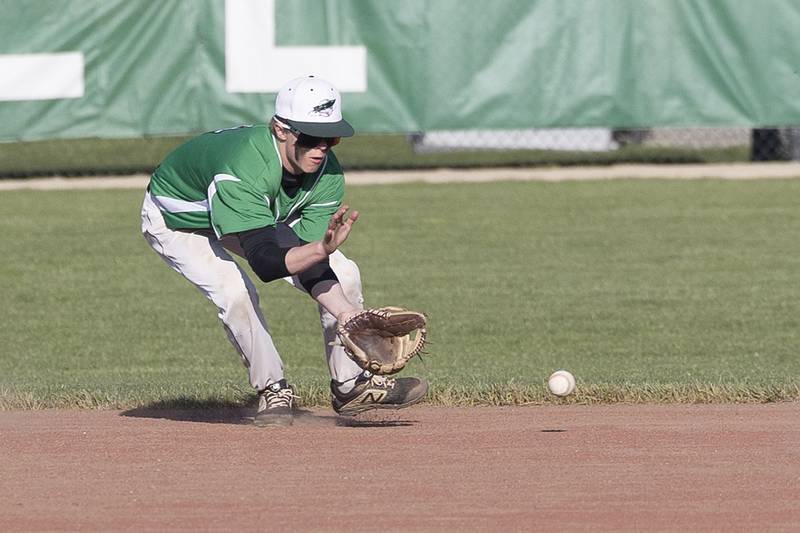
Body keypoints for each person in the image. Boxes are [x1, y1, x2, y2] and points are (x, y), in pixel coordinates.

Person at [141, 75, 428, 426]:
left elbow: (305, 262)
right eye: (309, 137)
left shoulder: (327, 175)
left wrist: (347, 313)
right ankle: (272, 389)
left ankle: (351, 386)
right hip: (179, 218)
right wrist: (320, 249)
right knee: (234, 292)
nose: (321, 148)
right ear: (280, 130)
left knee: (345, 272)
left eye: (331, 137)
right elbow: (266, 262)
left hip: (251, 217)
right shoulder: (243, 170)